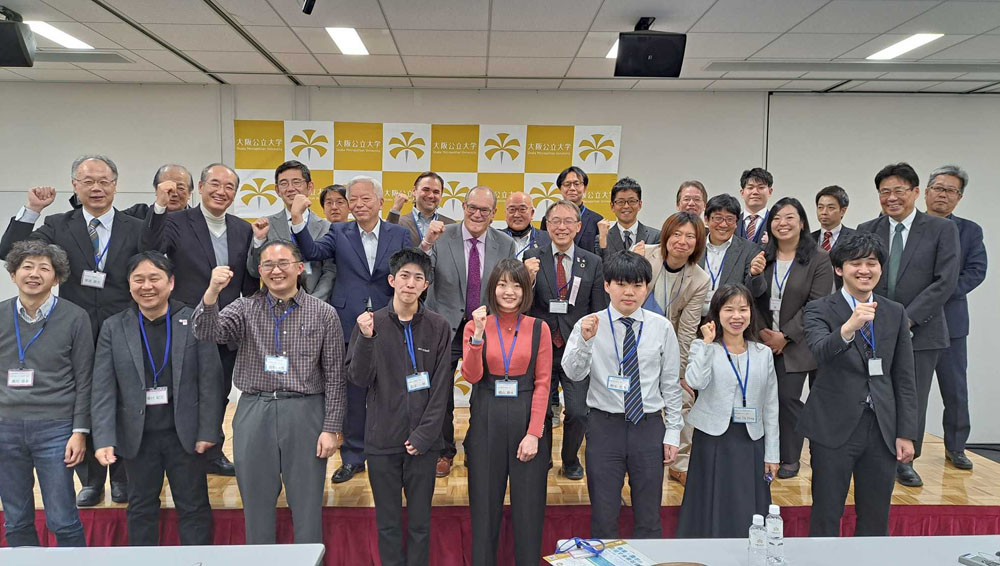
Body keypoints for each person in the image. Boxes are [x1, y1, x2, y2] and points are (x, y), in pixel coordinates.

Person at [0, 154, 142, 506]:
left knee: (124, 399)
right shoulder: (58, 224)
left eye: (103, 181)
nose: (96, 188)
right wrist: (32, 208)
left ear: (115, 184)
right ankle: (91, 480)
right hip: (73, 326)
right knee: (82, 397)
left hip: (123, 326)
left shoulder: (136, 227)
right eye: (87, 181)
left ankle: (122, 475)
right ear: (75, 186)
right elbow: (8, 252)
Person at [192, 240, 346, 544]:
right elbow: (206, 331)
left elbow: (336, 378)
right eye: (268, 265)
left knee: (307, 505)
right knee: (256, 503)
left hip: (305, 412)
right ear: (260, 271)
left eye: (283, 263)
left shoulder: (324, 313)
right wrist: (212, 293)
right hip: (254, 411)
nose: (276, 271)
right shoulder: (244, 308)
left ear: (299, 268)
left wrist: (331, 428)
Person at [91, 251, 223, 546]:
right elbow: (102, 388)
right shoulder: (115, 327)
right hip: (137, 438)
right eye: (138, 279)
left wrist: (208, 431)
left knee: (194, 506)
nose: (146, 286)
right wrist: (103, 438)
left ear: (171, 282)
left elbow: (211, 382)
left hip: (185, 436)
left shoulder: (193, 320)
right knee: (140, 508)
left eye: (154, 278)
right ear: (129, 285)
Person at [292, 175, 413, 484]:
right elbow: (312, 252)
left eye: (365, 199)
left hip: (391, 319)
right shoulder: (338, 231)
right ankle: (354, 457)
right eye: (353, 200)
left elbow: (411, 270)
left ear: (380, 202)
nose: (358, 205)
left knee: (391, 391)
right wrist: (297, 220)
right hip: (347, 321)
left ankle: (390, 453)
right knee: (354, 393)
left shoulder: (399, 234)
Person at [142, 162, 259, 477]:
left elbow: (249, 282)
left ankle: (213, 452)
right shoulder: (176, 221)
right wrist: (159, 207)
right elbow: (150, 251)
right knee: (182, 390)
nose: (222, 192)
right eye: (215, 184)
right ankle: (178, 454)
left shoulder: (243, 228)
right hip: (185, 324)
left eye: (229, 187)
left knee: (217, 392)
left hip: (228, 327)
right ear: (202, 188)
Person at [802, 232, 918, 536]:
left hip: (881, 428)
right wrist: (850, 327)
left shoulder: (894, 312)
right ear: (840, 269)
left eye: (872, 263)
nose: (865, 270)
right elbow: (819, 353)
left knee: (876, 514)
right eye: (856, 263)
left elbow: (904, 378)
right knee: (827, 512)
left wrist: (906, 432)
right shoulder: (820, 309)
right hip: (833, 427)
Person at [562, 251, 684, 539]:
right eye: (621, 284)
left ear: (647, 287)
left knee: (649, 515)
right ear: (607, 286)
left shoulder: (661, 327)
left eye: (638, 285)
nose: (629, 292)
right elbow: (574, 373)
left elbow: (670, 384)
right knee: (604, 515)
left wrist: (673, 433)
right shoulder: (589, 323)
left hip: (648, 425)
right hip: (605, 427)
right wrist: (586, 342)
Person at [346, 248, 452, 566]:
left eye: (418, 277)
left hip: (423, 445)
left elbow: (442, 388)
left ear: (426, 285)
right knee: (388, 525)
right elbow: (358, 378)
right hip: (382, 442)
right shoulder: (371, 323)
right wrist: (366, 339)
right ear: (392, 280)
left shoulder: (438, 326)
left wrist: (424, 436)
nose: (410, 283)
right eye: (404, 276)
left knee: (420, 526)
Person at [857, 162, 959, 487]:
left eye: (899, 190)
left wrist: (907, 319)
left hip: (922, 331)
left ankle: (905, 460)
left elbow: (944, 282)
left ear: (916, 192)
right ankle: (871, 450)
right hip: (873, 329)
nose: (891, 197)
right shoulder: (867, 228)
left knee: (913, 395)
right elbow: (859, 275)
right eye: (884, 191)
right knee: (871, 391)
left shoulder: (941, 229)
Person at [419, 185, 517, 477]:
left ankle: (479, 447)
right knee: (440, 394)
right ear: (463, 206)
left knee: (485, 393)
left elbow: (507, 286)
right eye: (471, 207)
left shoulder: (505, 243)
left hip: (486, 328)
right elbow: (418, 273)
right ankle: (444, 450)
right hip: (443, 328)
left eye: (484, 210)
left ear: (493, 214)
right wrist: (425, 244)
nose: (476, 214)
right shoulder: (441, 236)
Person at [0, 240, 91, 546]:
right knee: (15, 519)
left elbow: (85, 378)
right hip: (5, 429)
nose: (34, 274)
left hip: (56, 428)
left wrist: (79, 431)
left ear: (56, 277)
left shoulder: (75, 317)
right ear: (13, 274)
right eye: (26, 267)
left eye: (43, 268)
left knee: (63, 519)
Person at [462, 259, 552, 566]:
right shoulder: (476, 325)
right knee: (484, 509)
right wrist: (477, 337)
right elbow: (472, 377)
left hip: (526, 415)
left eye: (516, 284)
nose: (509, 291)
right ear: (492, 288)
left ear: (525, 289)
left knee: (528, 511)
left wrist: (534, 433)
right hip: (486, 414)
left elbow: (543, 384)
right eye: (502, 284)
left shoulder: (539, 328)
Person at [676, 284, 779, 538]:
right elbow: (695, 382)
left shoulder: (763, 353)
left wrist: (772, 454)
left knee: (748, 504)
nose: (736, 316)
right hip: (713, 439)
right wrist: (704, 344)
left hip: (750, 439)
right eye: (729, 309)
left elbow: (771, 406)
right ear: (717, 314)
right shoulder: (707, 348)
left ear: (751, 313)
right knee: (710, 501)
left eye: (743, 309)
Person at [751, 197, 833, 479]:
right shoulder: (762, 255)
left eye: (789, 218)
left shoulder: (819, 259)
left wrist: (784, 336)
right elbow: (751, 296)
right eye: (776, 218)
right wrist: (762, 332)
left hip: (797, 344)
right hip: (761, 340)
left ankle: (789, 457)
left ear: (801, 222)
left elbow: (817, 303)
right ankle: (760, 453)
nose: (782, 224)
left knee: (787, 399)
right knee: (758, 398)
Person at [524, 200, 606, 480]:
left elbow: (597, 310)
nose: (561, 227)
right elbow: (522, 307)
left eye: (568, 221)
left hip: (576, 349)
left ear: (579, 226)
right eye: (555, 221)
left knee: (578, 412)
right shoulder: (532, 257)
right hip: (542, 347)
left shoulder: (592, 262)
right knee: (543, 410)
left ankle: (570, 459)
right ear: (546, 226)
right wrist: (529, 279)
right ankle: (542, 458)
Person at [924, 165, 986, 471]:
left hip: (951, 322)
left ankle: (957, 447)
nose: (942, 195)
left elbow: (976, 271)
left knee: (955, 389)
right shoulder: (909, 228)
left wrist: (941, 292)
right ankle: (906, 453)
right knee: (911, 391)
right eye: (938, 187)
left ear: (959, 198)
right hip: (912, 323)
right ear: (925, 191)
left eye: (950, 190)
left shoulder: (969, 231)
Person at [641, 212, 710, 486]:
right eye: (677, 234)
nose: (682, 241)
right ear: (667, 235)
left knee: (683, 399)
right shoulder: (645, 255)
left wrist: (680, 373)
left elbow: (687, 328)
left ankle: (679, 464)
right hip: (636, 339)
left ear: (698, 242)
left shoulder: (699, 279)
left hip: (670, 343)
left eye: (690, 236)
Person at [249, 160, 335, 300]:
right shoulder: (265, 225)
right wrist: (259, 241)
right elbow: (254, 271)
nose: (290, 188)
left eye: (296, 182)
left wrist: (314, 303)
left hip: (315, 306)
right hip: (273, 306)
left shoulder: (327, 227)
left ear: (310, 187)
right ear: (277, 190)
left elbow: (330, 272)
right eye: (284, 183)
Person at [699, 194, 766, 318]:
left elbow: (756, 293)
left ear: (736, 223)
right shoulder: (695, 247)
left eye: (730, 219)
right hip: (693, 320)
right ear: (706, 219)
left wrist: (755, 274)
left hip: (730, 322)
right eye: (718, 218)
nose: (724, 224)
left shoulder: (749, 250)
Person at [69, 163, 194, 219]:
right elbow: (104, 216)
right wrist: (85, 197)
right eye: (166, 188)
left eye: (181, 188)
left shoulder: (200, 220)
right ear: (156, 190)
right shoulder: (139, 214)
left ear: (190, 193)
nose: (173, 193)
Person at [596, 177, 661, 261]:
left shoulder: (655, 236)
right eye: (620, 202)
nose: (626, 206)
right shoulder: (602, 238)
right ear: (612, 206)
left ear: (640, 204)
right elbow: (601, 269)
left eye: (632, 201)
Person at [540, 166, 601, 253]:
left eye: (576, 184)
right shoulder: (548, 219)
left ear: (585, 188)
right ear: (560, 189)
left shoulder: (596, 220)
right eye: (567, 184)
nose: (572, 188)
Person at [387, 171, 456, 246]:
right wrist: (395, 210)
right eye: (426, 190)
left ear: (441, 196)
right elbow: (385, 241)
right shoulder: (399, 222)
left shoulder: (450, 225)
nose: (431, 196)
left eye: (436, 192)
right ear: (414, 191)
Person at [813, 185, 856, 289]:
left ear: (843, 211)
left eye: (830, 207)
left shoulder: (855, 238)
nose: (824, 212)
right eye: (820, 207)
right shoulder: (808, 239)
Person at [503, 191, 550, 261]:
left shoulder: (548, 239)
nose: (517, 215)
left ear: (532, 213)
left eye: (522, 209)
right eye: (512, 210)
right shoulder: (495, 238)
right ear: (505, 213)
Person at [737, 168, 774, 245]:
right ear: (742, 192)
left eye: (761, 187)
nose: (755, 192)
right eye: (750, 187)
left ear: (770, 192)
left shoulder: (776, 222)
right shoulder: (733, 221)